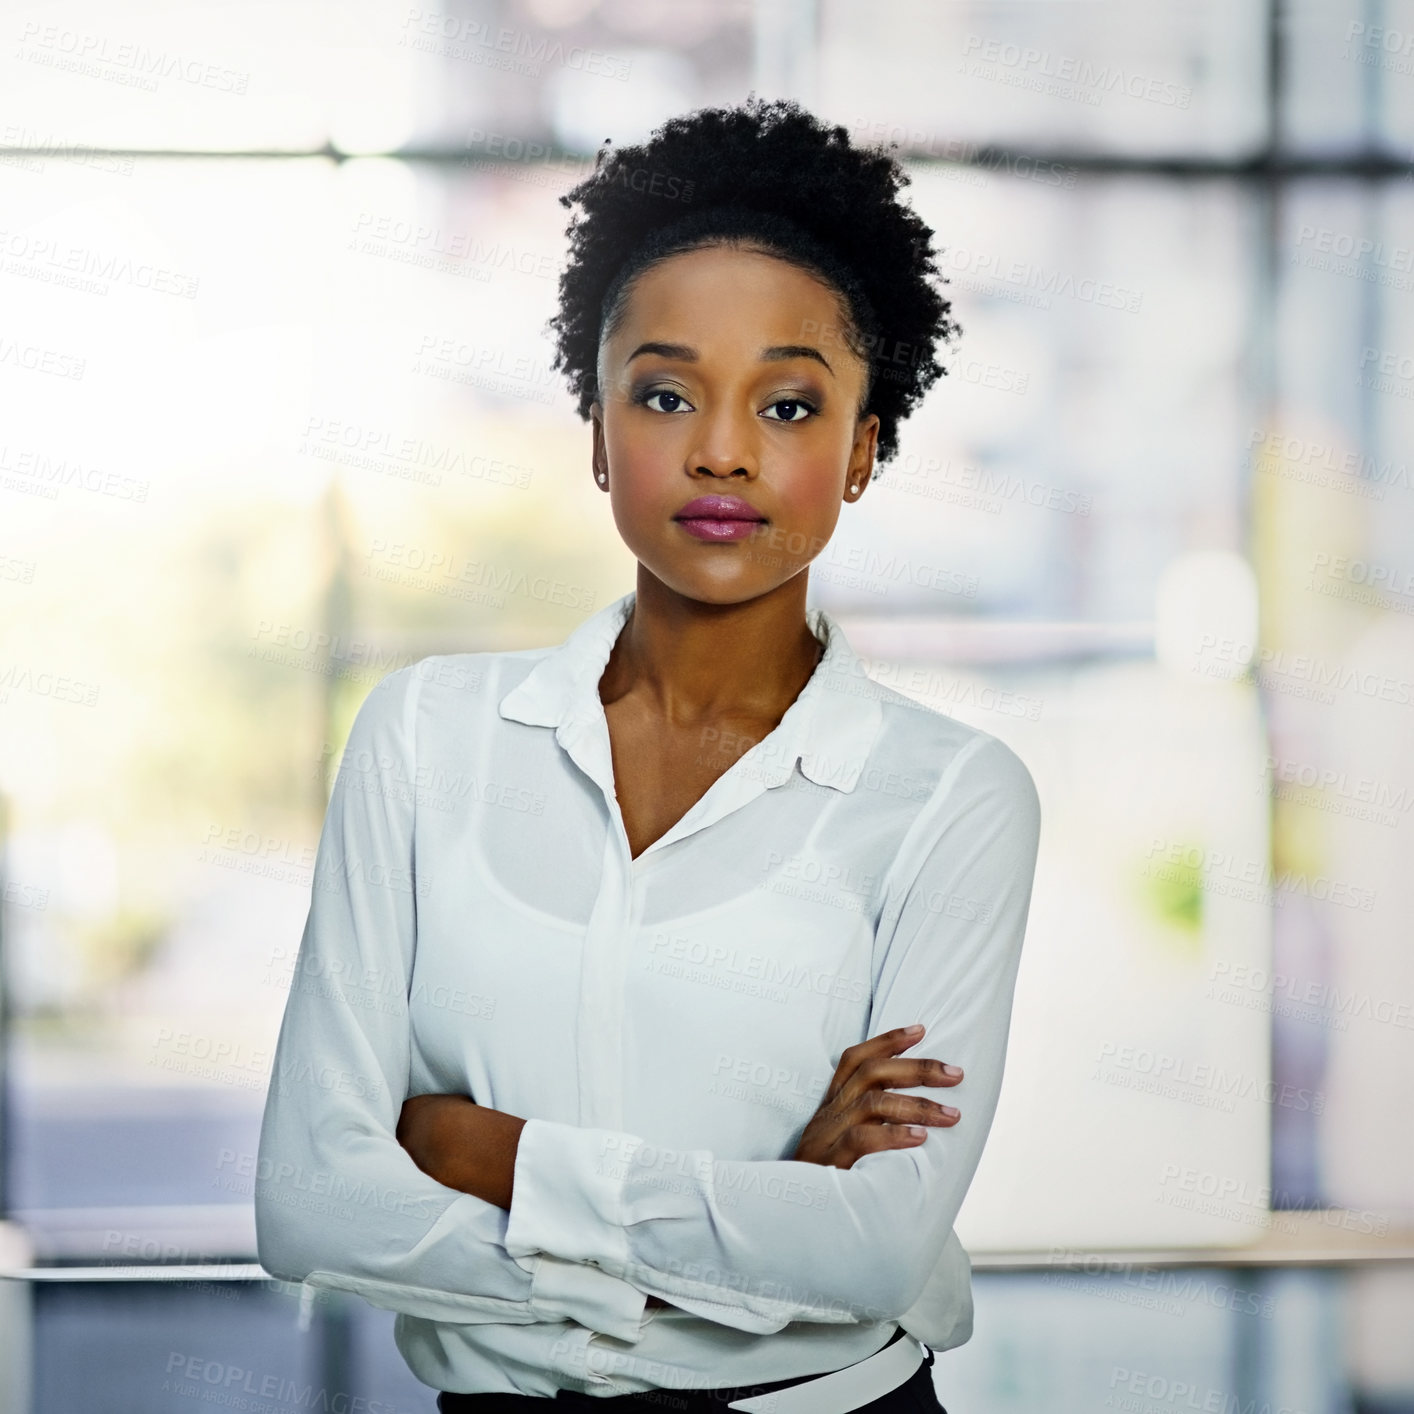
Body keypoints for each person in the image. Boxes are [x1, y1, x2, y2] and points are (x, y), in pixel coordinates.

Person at [255, 95, 1042, 1413]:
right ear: (596, 429)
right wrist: (759, 1211)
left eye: (789, 405)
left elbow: (874, 1249)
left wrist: (481, 1149)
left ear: (863, 450)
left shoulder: (949, 798)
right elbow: (311, 1204)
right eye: (665, 391)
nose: (722, 448)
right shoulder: (425, 739)